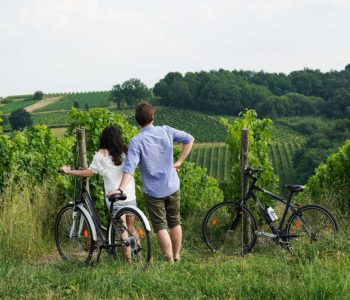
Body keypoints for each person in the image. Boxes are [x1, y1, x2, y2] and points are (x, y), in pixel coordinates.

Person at [109, 102, 194, 263]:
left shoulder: (136, 141)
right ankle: (177, 256)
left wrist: (120, 188)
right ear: (153, 117)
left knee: (160, 227)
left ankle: (169, 260)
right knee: (175, 221)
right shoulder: (166, 131)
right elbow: (189, 139)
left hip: (154, 192)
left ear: (137, 121)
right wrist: (179, 161)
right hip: (172, 185)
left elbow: (130, 167)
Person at [60, 125, 137, 260]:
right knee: (131, 227)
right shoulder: (126, 151)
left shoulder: (102, 153)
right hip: (129, 194)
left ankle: (129, 262)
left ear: (104, 138)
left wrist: (69, 171)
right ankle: (139, 256)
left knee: (122, 229)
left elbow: (89, 172)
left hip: (114, 196)